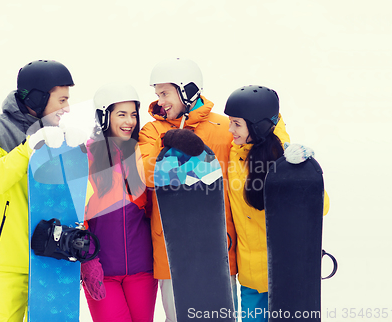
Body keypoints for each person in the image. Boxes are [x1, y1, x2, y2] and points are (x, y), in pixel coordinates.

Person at [0, 60, 74, 322]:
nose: (67, 108)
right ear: (38, 98)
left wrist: (76, 156)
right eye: (61, 100)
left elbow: (80, 199)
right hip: (7, 259)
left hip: (52, 257)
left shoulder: (61, 137)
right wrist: (29, 147)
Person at [137, 57, 238, 322]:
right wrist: (169, 148)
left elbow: (246, 169)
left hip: (219, 246)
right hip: (172, 250)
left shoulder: (226, 128)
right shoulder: (152, 130)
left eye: (165, 93)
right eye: (157, 94)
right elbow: (146, 175)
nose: (160, 101)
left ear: (188, 90)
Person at [224, 85, 330, 321]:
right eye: (230, 122)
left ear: (258, 125)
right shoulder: (234, 152)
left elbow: (321, 208)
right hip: (251, 279)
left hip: (286, 277)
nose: (230, 130)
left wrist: (303, 174)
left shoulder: (283, 155)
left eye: (237, 124)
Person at [83, 82, 158, 322]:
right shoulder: (86, 155)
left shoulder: (140, 153)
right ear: (104, 116)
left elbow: (152, 209)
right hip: (102, 270)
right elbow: (78, 214)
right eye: (121, 114)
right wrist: (88, 262)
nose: (130, 121)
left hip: (142, 269)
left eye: (134, 114)